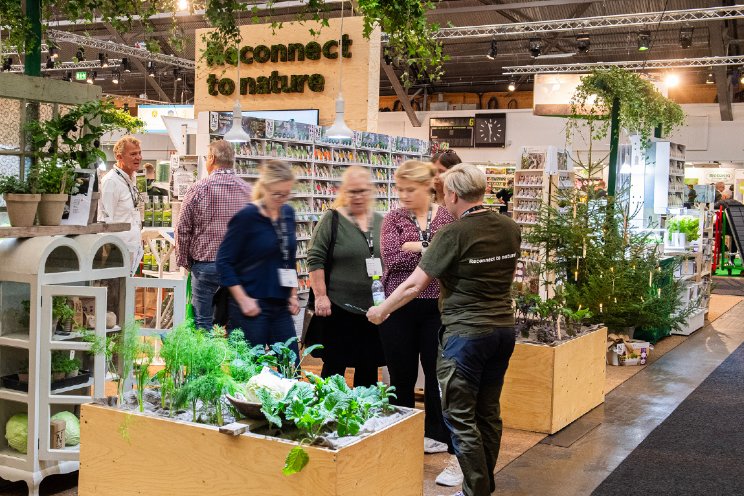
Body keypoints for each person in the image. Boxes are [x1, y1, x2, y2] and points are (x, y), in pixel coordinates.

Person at [367, 164, 521, 496]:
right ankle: (483, 485)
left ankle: (475, 490)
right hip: (503, 330)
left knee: (461, 416)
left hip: (465, 334)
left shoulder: (453, 233)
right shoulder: (509, 227)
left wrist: (382, 309)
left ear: (452, 194)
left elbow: (412, 286)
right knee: (488, 413)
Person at [379, 160, 455, 458]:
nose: (404, 195)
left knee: (436, 373)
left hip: (436, 306)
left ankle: (436, 433)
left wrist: (414, 247)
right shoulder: (393, 218)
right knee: (401, 373)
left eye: (410, 189)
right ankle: (403, 431)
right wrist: (429, 250)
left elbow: (449, 257)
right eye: (400, 190)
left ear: (427, 187)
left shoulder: (446, 217)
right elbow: (391, 258)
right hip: (398, 306)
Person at [306, 166, 385, 386]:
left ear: (370, 192)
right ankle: (328, 416)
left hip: (372, 310)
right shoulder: (332, 219)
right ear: (343, 192)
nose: (357, 196)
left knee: (368, 369)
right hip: (339, 309)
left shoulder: (380, 221)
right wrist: (321, 296)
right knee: (334, 368)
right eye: (352, 191)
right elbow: (315, 259)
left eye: (362, 191)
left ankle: (365, 418)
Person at [216, 160, 300, 355]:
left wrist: (293, 294)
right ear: (265, 188)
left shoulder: (287, 213)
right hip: (250, 305)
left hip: (280, 305)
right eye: (277, 194)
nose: (281, 199)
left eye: (286, 194)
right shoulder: (247, 216)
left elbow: (288, 257)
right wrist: (243, 298)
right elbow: (224, 261)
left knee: (291, 366)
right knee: (248, 370)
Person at [176, 140, 252, 330]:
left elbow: (183, 228)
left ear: (211, 158)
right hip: (238, 268)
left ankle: (207, 359)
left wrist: (184, 261)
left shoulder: (198, 188)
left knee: (203, 322)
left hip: (206, 266)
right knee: (237, 327)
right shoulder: (248, 190)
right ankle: (236, 359)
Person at [99, 136, 143, 271]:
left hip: (131, 249)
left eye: (139, 153)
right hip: (116, 252)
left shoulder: (132, 178)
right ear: (119, 157)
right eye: (133, 154)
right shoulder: (111, 181)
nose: (139, 157)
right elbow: (105, 220)